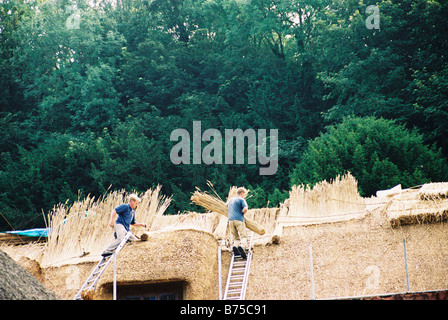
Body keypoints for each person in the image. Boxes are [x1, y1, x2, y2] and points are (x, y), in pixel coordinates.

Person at [227, 187, 249, 259]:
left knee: (236, 237)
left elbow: (226, 207)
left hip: (230, 221)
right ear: (242, 194)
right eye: (244, 195)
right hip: (239, 219)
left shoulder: (230, 200)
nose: (244, 196)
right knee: (243, 236)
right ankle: (242, 246)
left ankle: (235, 247)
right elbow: (245, 208)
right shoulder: (241, 199)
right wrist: (242, 213)